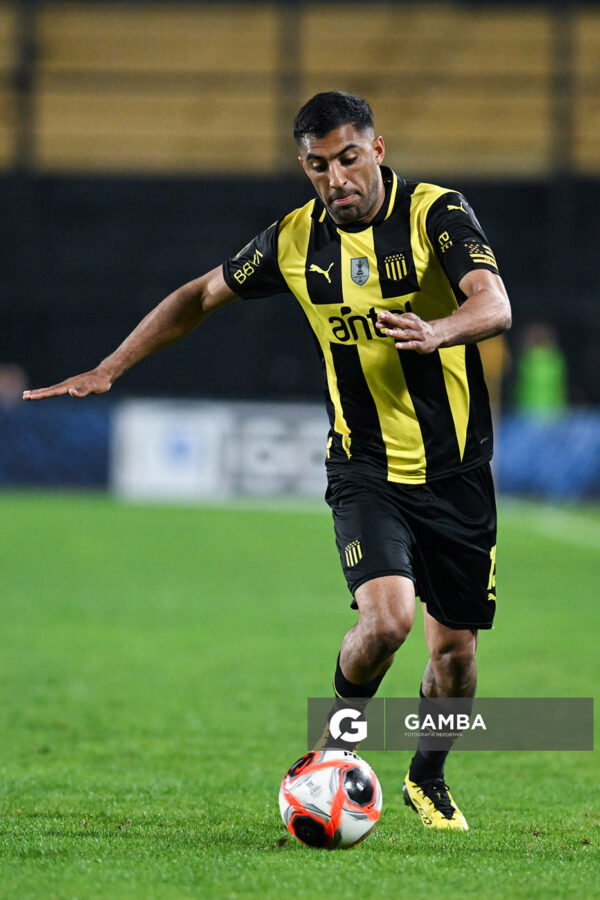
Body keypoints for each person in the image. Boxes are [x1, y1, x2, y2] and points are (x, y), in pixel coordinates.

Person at [24, 91, 512, 831]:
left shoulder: (436, 214)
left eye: (348, 158)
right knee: (386, 624)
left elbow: (494, 304)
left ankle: (427, 775)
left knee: (456, 662)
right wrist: (112, 366)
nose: (335, 178)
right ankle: (329, 756)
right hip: (365, 466)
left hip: (457, 472)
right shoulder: (293, 239)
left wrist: (437, 331)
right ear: (304, 167)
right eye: (318, 166)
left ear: (377, 150)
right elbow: (199, 295)